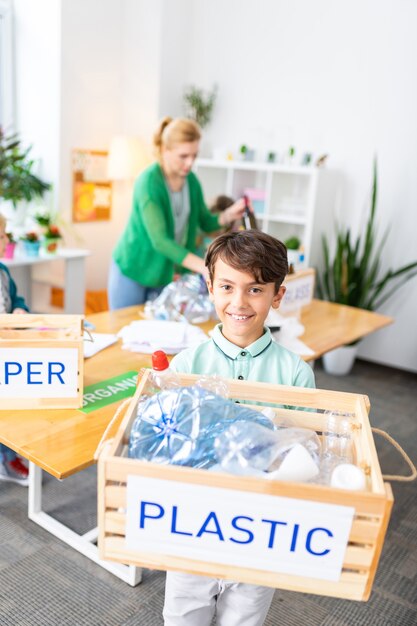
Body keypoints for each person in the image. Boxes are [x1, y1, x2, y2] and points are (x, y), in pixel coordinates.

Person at [162, 230, 315, 626]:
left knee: (245, 616)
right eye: (227, 287)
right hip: (193, 520)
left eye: (256, 289)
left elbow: (304, 449)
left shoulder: (296, 374)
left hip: (259, 526)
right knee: (183, 614)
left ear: (277, 296)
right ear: (210, 287)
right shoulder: (185, 367)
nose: (239, 302)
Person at [108, 117, 246, 309]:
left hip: (161, 273)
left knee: (157, 333)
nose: (190, 163)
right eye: (183, 156)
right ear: (165, 150)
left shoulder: (191, 182)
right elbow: (160, 240)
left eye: (194, 155)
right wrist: (204, 268)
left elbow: (205, 222)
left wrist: (229, 214)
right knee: (122, 329)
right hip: (133, 268)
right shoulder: (148, 183)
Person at [0, 214, 30, 486]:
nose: (5, 241)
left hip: (8, 351)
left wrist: (20, 309)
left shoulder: (4, 272)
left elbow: (16, 299)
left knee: (13, 407)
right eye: (0, 236)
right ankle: (6, 459)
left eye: (5, 234)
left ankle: (7, 452)